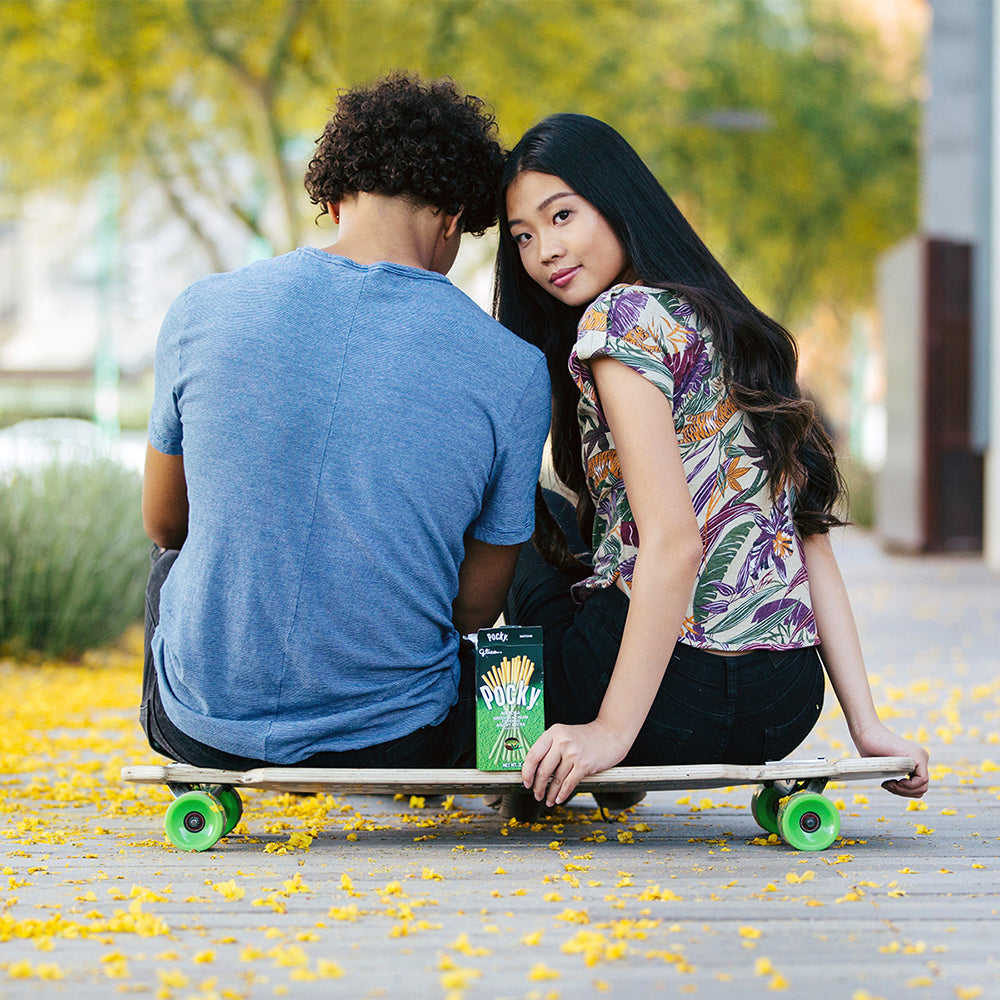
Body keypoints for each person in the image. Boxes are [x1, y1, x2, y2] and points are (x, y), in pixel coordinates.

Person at [492, 112, 929, 817]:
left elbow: (674, 543)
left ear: (617, 198)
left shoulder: (620, 321)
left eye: (562, 215)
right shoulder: (734, 328)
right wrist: (866, 727)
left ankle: (587, 746)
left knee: (524, 510)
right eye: (523, 237)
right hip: (783, 706)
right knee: (577, 532)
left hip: (665, 702)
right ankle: (626, 746)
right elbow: (806, 539)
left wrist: (609, 733)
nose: (545, 250)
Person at [139, 73, 550, 772]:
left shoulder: (200, 310)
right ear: (454, 215)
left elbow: (166, 526)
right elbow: (474, 614)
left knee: (169, 571)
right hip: (400, 739)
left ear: (333, 200)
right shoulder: (514, 368)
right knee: (535, 533)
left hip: (203, 731)